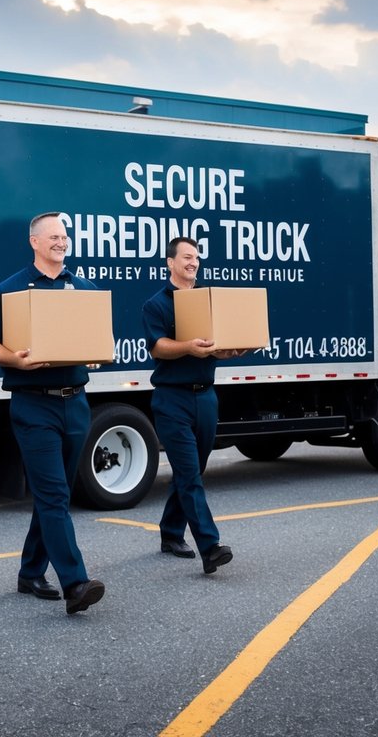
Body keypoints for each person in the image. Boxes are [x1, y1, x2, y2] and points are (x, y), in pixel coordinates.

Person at [0, 212, 106, 614]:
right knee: (53, 496)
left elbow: (100, 340)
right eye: (53, 236)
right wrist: (15, 360)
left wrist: (96, 354)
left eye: (64, 236)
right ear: (34, 241)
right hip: (34, 405)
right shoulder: (9, 290)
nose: (61, 242)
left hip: (76, 403)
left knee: (57, 494)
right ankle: (76, 584)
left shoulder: (83, 289)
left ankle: (30, 571)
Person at [142, 236, 242, 574]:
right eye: (186, 257)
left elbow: (219, 343)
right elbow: (158, 347)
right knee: (188, 474)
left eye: (196, 257)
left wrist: (228, 350)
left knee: (192, 472)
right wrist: (188, 347)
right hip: (172, 399)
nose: (193, 262)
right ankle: (210, 546)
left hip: (206, 397)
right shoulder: (155, 304)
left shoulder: (207, 301)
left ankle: (171, 533)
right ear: (170, 263)